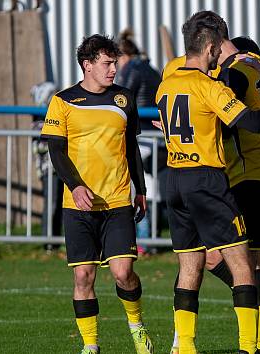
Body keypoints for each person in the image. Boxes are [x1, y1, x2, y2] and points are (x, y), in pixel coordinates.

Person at [155, 13, 260, 354]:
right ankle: (251, 347)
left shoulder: (166, 83)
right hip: (211, 178)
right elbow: (252, 122)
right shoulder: (212, 84)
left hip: (175, 179)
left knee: (191, 265)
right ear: (211, 47)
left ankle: (185, 346)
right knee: (245, 265)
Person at [41, 34, 153, 354]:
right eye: (106, 63)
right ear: (87, 65)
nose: (113, 69)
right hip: (78, 205)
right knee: (83, 278)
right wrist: (76, 186)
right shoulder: (63, 101)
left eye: (114, 62)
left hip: (117, 200)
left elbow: (131, 148)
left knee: (124, 272)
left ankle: (136, 325)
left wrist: (140, 190)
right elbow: (57, 151)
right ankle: (91, 345)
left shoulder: (124, 99)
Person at [115, 29, 163, 253]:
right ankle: (148, 239)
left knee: (137, 187)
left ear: (123, 56)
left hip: (143, 137)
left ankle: (143, 240)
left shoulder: (131, 69)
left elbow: (122, 99)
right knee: (149, 187)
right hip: (156, 136)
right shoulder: (150, 68)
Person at [30, 81, 63, 243]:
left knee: (60, 205)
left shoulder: (54, 116)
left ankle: (56, 239)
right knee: (51, 203)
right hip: (48, 170)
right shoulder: (38, 120)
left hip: (59, 168)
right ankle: (48, 241)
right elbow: (43, 144)